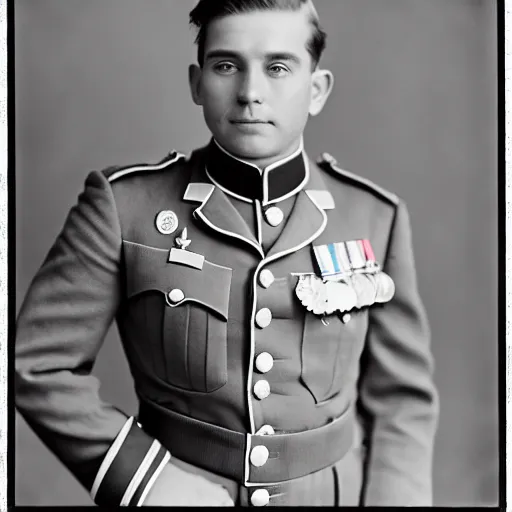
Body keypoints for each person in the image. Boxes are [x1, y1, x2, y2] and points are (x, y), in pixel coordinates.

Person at [15, 0, 439, 507]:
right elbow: (37, 365)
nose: (250, 93)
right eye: (226, 66)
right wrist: (147, 482)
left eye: (278, 68)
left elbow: (401, 401)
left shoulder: (374, 217)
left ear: (317, 90)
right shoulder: (125, 206)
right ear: (196, 83)